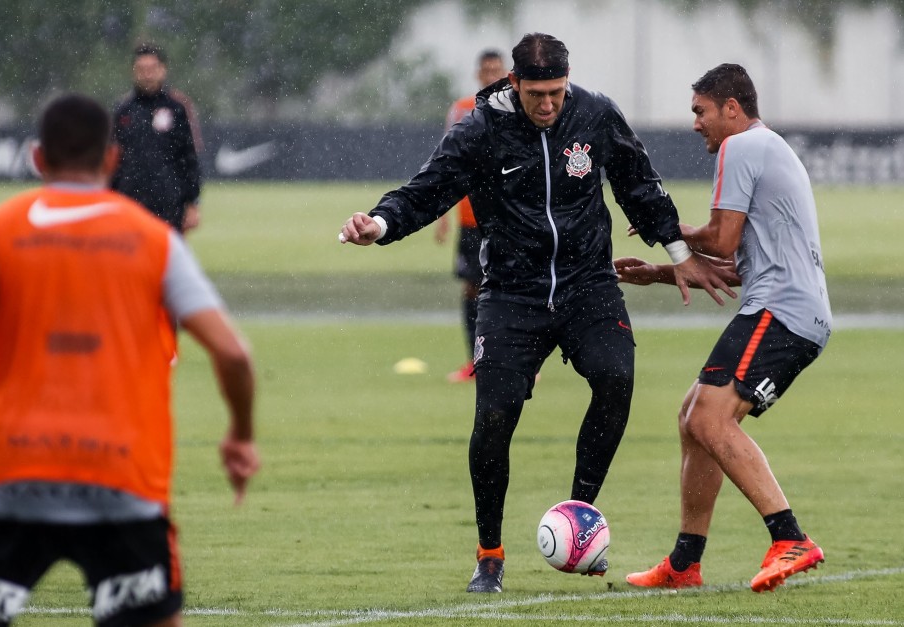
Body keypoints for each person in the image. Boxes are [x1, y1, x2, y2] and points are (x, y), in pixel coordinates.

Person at [339, 33, 733, 593]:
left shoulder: (595, 115)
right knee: (494, 418)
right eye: (537, 95)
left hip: (587, 285)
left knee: (616, 379)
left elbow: (638, 183)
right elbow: (428, 191)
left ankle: (577, 519)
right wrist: (378, 225)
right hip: (511, 294)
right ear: (515, 85)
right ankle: (489, 554)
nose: (548, 105)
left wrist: (677, 253)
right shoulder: (480, 130)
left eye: (556, 92)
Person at [0, 94, 259, 627]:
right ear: (111, 158)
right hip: (120, 476)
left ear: (37, 158)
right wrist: (239, 434)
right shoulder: (155, 241)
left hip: (11, 472)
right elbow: (234, 354)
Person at [619, 63, 831, 593]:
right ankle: (685, 565)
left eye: (700, 111)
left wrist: (664, 227)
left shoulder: (742, 148)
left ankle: (791, 538)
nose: (696, 124)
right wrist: (663, 273)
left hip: (781, 310)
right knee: (693, 417)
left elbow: (721, 239)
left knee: (713, 419)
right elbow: (741, 262)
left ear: (731, 108)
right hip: (781, 305)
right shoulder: (767, 147)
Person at [436, 49, 507, 383]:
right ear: (478, 74)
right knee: (472, 288)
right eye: (486, 70)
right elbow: (448, 162)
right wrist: (440, 214)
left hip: (508, 218)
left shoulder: (517, 107)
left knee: (514, 287)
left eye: (497, 69)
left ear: (506, 73)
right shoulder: (462, 109)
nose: (491, 75)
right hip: (469, 219)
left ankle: (522, 362)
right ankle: (475, 361)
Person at [111, 43, 202, 233]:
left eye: (152, 68)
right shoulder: (123, 109)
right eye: (142, 69)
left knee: (166, 260)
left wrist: (192, 202)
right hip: (129, 203)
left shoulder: (178, 107)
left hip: (169, 204)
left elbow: (189, 157)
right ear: (133, 71)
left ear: (163, 70)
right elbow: (112, 158)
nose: (147, 74)